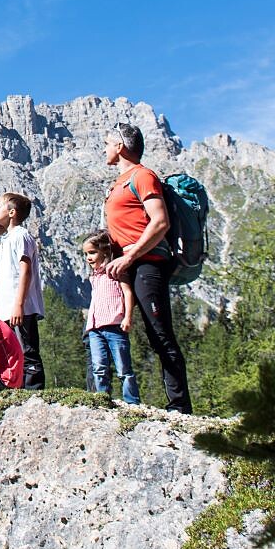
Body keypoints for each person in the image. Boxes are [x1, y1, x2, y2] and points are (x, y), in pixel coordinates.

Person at [101, 123, 192, 413]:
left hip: (146, 264)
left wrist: (129, 257)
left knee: (161, 334)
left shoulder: (142, 176)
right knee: (148, 335)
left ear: (120, 147)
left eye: (108, 142)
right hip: (130, 266)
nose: (104, 148)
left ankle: (179, 405)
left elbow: (160, 222)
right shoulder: (120, 182)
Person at [0, 192, 45, 389]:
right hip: (9, 309)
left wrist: (18, 304)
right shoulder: (7, 238)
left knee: (27, 352)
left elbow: (25, 271)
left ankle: (34, 393)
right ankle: (17, 389)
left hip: (21, 308)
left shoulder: (21, 235)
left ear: (11, 212)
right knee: (13, 353)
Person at [80, 230, 139, 403]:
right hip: (94, 328)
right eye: (86, 254)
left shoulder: (116, 271)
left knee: (123, 368)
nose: (88, 258)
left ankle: (132, 401)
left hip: (115, 326)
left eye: (92, 253)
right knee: (98, 367)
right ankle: (102, 399)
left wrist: (128, 317)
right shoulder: (94, 277)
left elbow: (128, 293)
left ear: (104, 251)